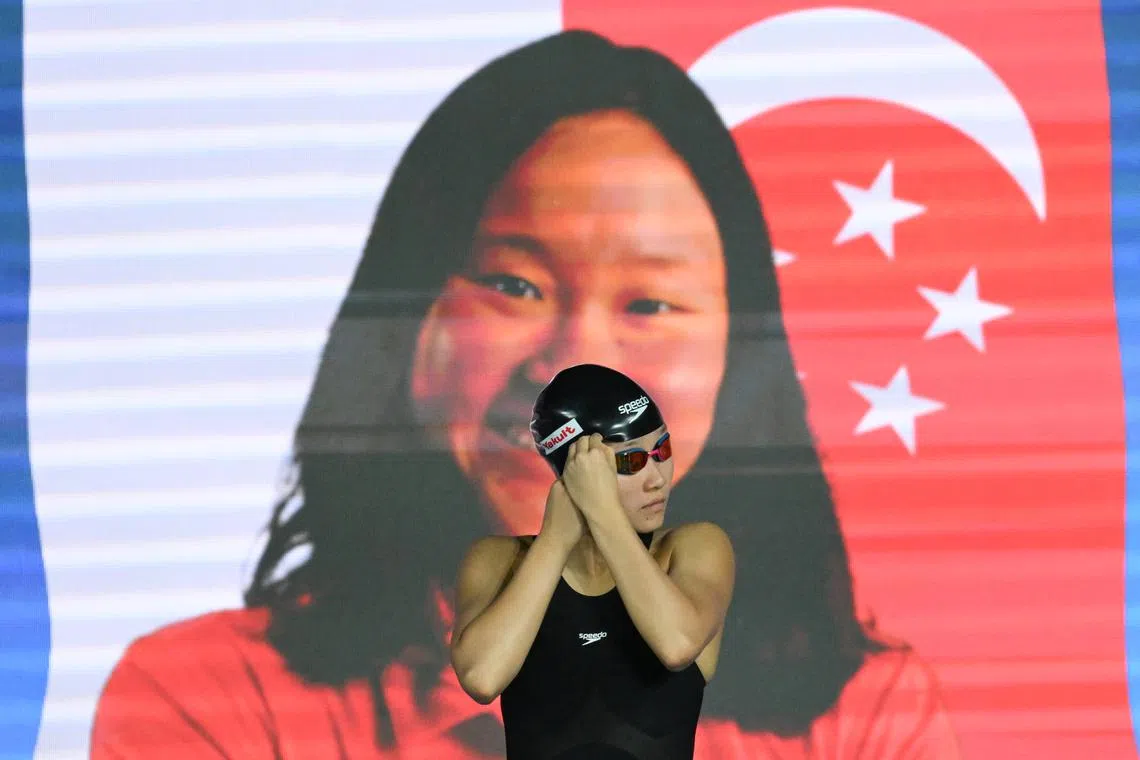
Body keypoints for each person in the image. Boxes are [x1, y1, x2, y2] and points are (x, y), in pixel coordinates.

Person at [91, 29, 960, 759]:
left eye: (650, 305)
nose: (576, 371)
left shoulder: (868, 719)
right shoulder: (210, 701)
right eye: (514, 285)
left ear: (739, 365)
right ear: (402, 327)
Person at [450, 364, 736, 759]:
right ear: (575, 472)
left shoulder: (694, 548)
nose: (657, 478)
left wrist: (602, 511)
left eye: (661, 451)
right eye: (631, 462)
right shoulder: (499, 561)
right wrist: (554, 542)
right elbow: (482, 678)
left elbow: (677, 644)